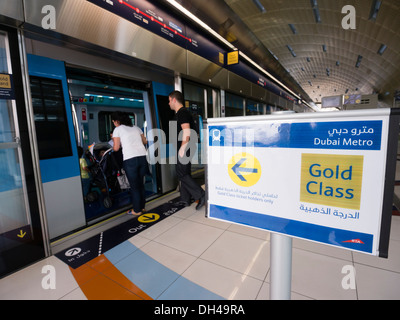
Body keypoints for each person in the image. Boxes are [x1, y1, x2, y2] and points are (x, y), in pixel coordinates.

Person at [168, 90, 205, 210]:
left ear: (174, 100)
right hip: (184, 147)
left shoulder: (183, 113)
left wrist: (182, 148)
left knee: (182, 173)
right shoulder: (181, 113)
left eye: (169, 101)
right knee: (184, 173)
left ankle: (201, 194)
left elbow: (187, 131)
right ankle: (185, 199)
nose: (169, 104)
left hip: (185, 147)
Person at [111, 111, 148, 215]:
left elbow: (116, 148)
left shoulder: (117, 130)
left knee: (134, 187)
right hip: (142, 157)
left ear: (117, 121)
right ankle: (142, 207)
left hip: (130, 160)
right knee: (140, 185)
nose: (113, 123)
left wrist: (114, 141)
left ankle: (136, 210)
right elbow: (145, 142)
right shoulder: (136, 128)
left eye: (113, 121)